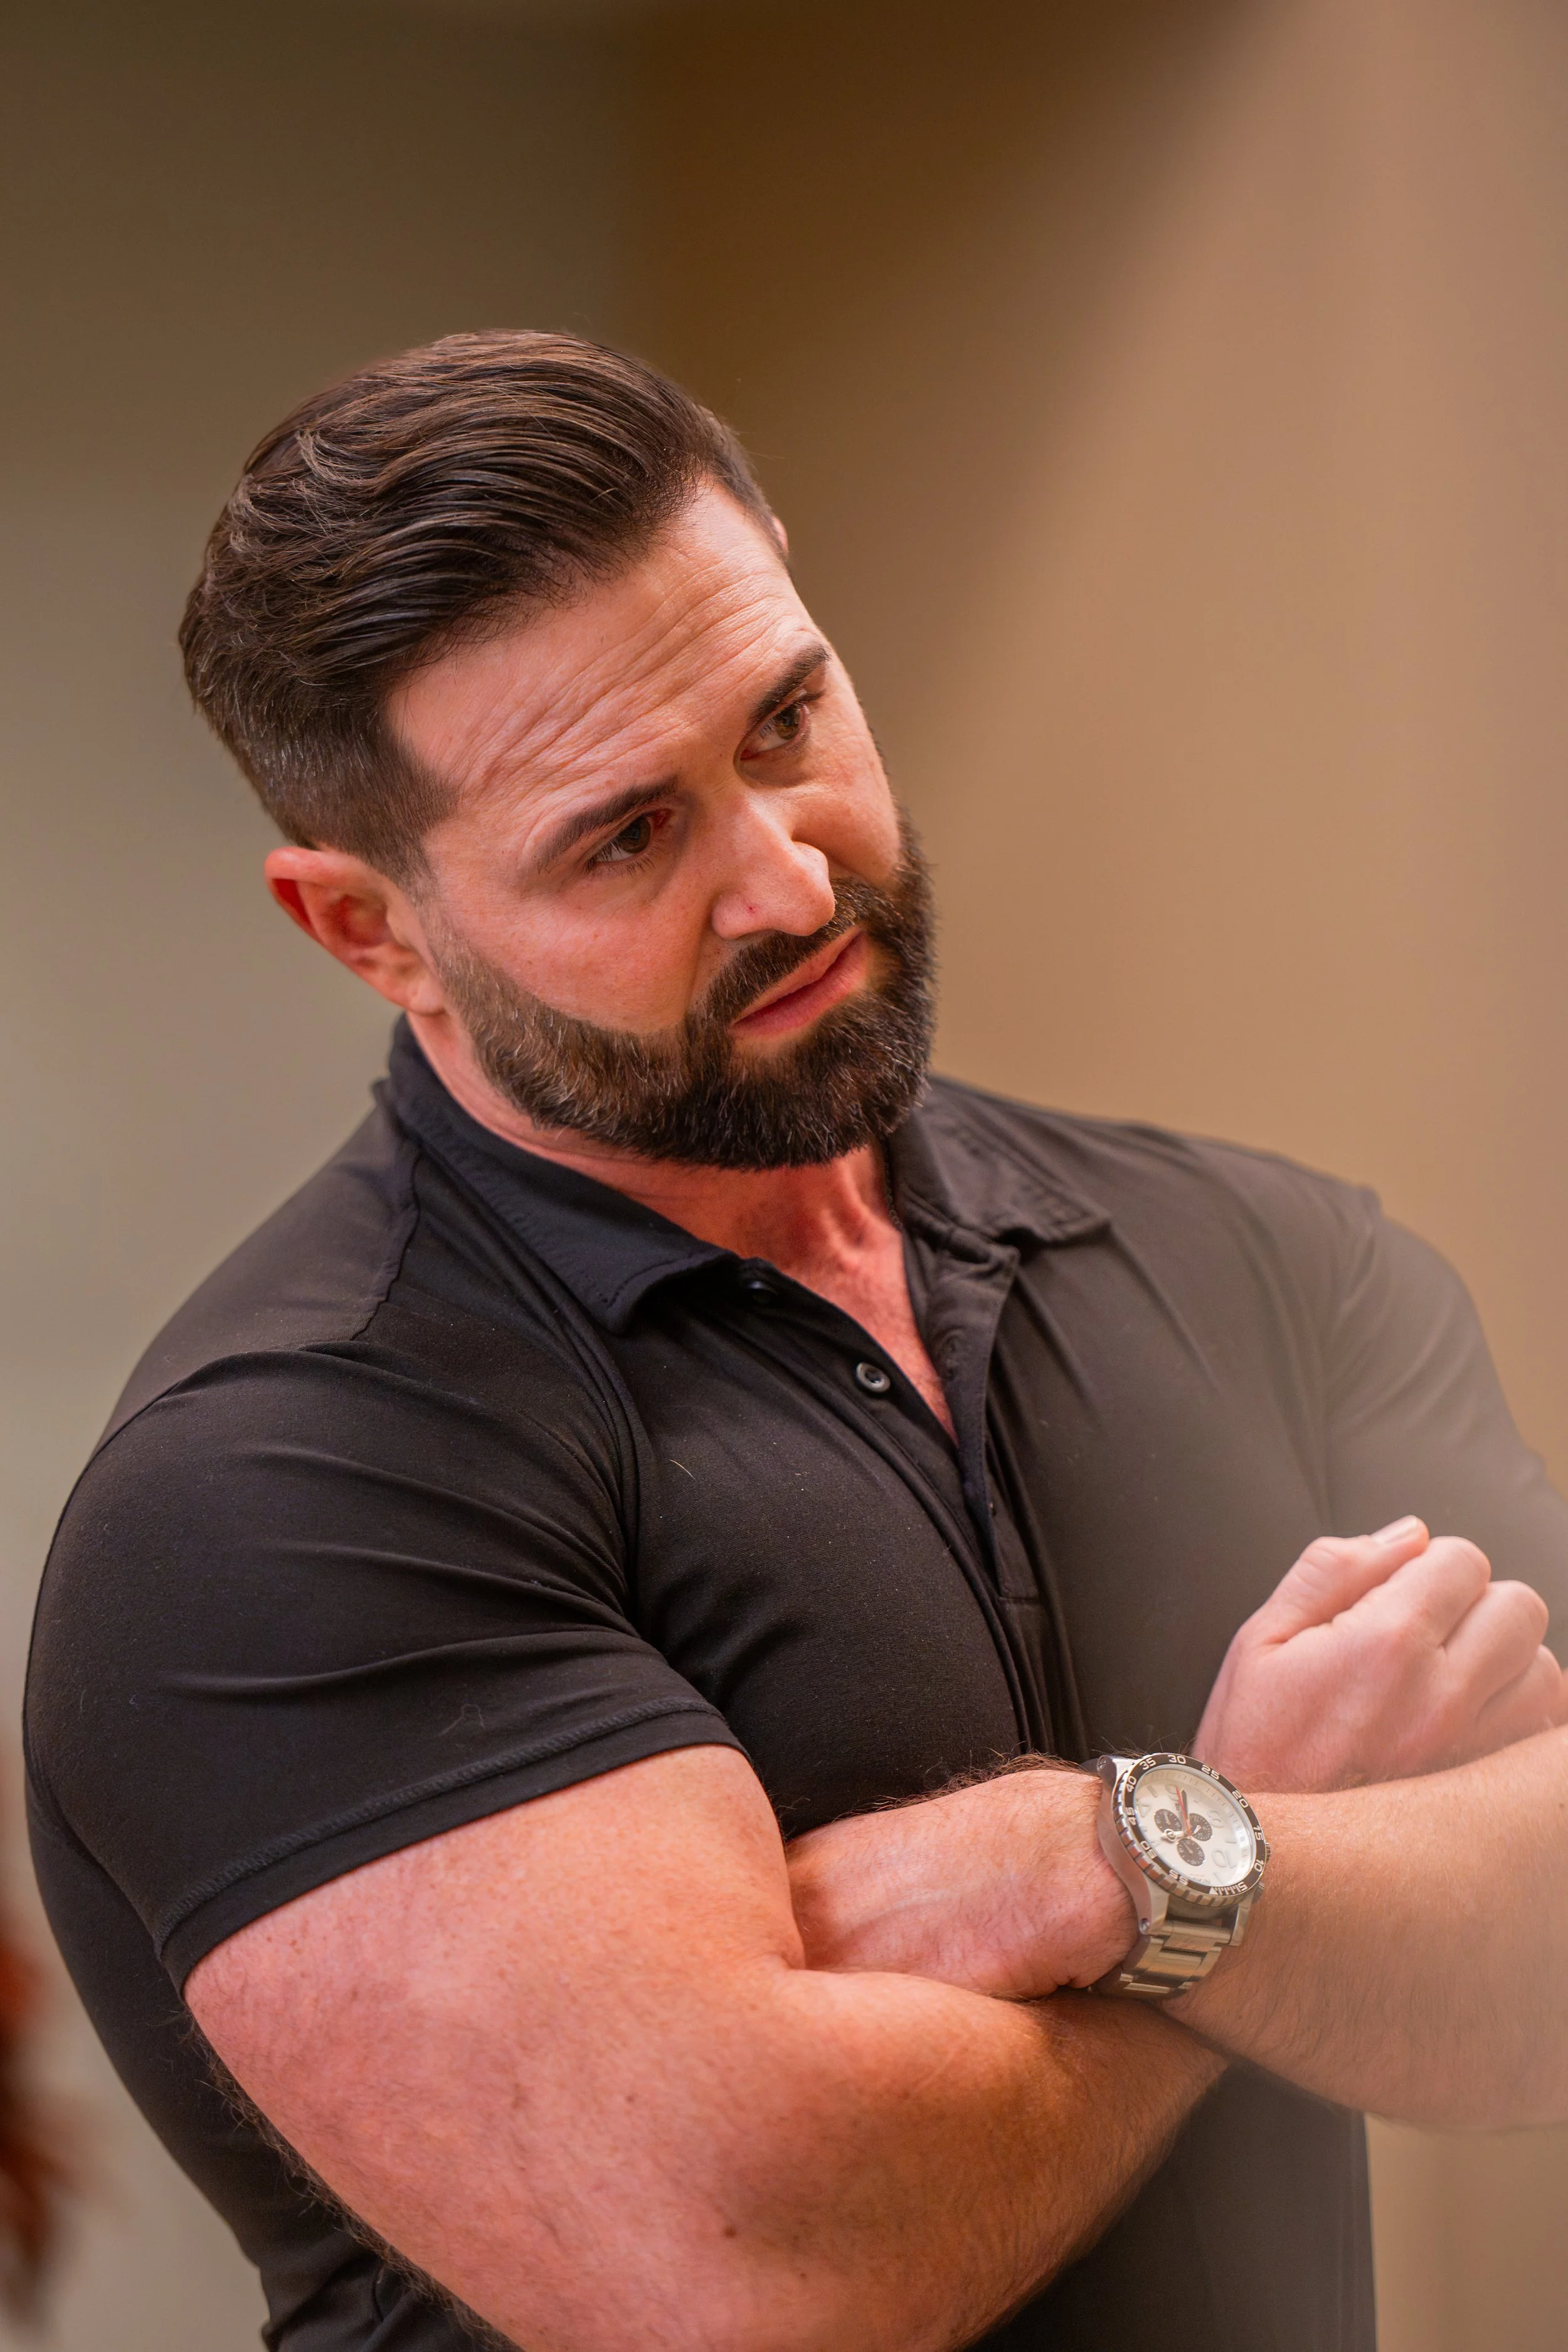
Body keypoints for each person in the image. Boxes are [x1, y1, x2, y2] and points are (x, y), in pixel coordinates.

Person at [24, 331, 1568, 2352]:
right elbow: (756, 2269)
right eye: (625, 837)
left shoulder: (1270, 1260)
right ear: (371, 929)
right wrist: (1233, 1865)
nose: (787, 873)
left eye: (784, 719)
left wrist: (1077, 1860)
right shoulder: (273, 1489)